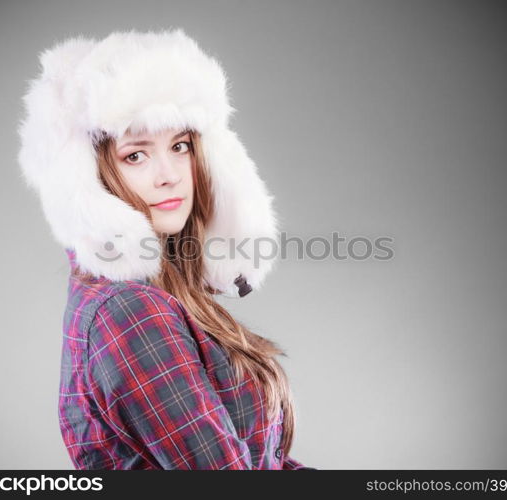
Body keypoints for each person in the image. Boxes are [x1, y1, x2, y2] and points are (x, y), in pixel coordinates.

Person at [17, 28, 315, 470]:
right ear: (91, 178)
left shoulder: (153, 293)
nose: (169, 175)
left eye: (180, 146)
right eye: (136, 155)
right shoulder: (132, 311)